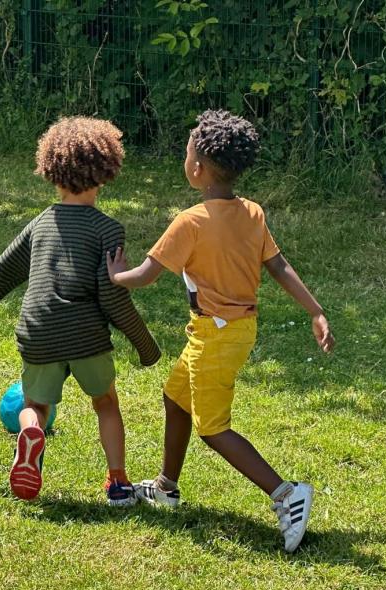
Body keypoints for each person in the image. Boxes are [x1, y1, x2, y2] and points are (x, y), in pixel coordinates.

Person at [107, 109, 334, 552]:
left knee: (213, 428)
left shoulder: (190, 221)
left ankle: (287, 494)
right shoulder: (251, 212)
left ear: (197, 167)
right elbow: (278, 266)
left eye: (187, 151)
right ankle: (166, 487)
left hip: (216, 335)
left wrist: (117, 276)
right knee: (175, 397)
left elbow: (147, 275)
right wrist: (315, 310)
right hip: (232, 330)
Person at [0, 116, 160, 504]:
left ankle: (31, 433)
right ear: (105, 174)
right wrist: (145, 345)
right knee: (106, 402)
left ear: (51, 171)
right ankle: (119, 483)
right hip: (85, 336)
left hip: (39, 332)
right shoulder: (108, 230)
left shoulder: (38, 225)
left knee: (35, 404)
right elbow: (112, 297)